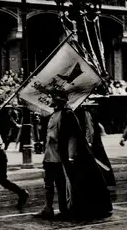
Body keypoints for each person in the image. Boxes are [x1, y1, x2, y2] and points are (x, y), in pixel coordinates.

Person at [34, 90, 113, 220]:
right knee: (48, 182)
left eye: (53, 97)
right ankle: (48, 209)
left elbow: (73, 136)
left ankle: (64, 210)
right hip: (50, 154)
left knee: (61, 184)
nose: (50, 100)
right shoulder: (52, 114)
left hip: (60, 155)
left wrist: (70, 156)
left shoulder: (67, 114)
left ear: (59, 100)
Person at [75, 100, 116, 187]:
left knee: (98, 162)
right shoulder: (86, 112)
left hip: (93, 143)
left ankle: (104, 181)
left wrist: (89, 142)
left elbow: (89, 129)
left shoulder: (85, 113)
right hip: (94, 142)